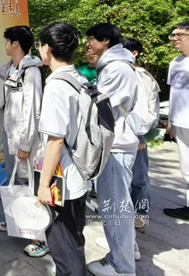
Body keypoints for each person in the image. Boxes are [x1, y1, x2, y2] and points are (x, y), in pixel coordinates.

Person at [0, 26, 47, 257]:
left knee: (29, 185)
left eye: (7, 41)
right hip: (9, 136)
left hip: (24, 141)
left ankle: (40, 237)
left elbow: (33, 111)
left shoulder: (31, 72)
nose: (5, 45)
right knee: (15, 182)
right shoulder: (12, 68)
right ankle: (17, 221)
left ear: (15, 44)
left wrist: (25, 145)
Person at [85, 23, 140, 276]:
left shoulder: (116, 68)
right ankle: (127, 250)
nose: (88, 44)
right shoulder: (117, 65)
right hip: (118, 143)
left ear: (105, 41)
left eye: (91, 39)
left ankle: (121, 266)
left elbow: (100, 106)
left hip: (115, 145)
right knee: (120, 203)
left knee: (114, 204)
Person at [36, 22, 90, 276]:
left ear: (47, 48)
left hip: (63, 181)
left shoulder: (56, 86)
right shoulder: (79, 78)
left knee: (64, 247)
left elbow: (55, 141)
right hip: (80, 173)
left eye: (39, 45)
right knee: (74, 239)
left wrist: (43, 184)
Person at [123, 37, 160, 230]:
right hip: (121, 132)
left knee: (138, 177)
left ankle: (140, 214)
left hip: (135, 133)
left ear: (134, 53)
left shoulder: (142, 77)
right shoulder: (120, 72)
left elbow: (148, 111)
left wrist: (138, 132)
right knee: (123, 178)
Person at [163, 21, 189, 221]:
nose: (174, 38)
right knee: (186, 167)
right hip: (180, 122)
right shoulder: (176, 62)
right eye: (172, 35)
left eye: (179, 35)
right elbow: (174, 93)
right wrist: (170, 121)